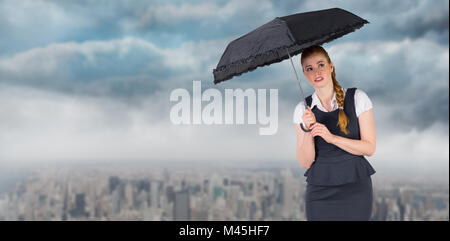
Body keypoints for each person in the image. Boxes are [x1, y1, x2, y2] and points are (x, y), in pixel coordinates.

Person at [293, 45, 377, 221]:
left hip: (355, 188)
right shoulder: (302, 109)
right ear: (304, 74)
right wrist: (307, 129)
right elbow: (305, 162)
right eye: (309, 68)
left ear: (331, 66)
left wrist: (331, 138)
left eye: (320, 65)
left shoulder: (357, 98)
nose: (316, 71)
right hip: (319, 191)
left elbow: (369, 148)